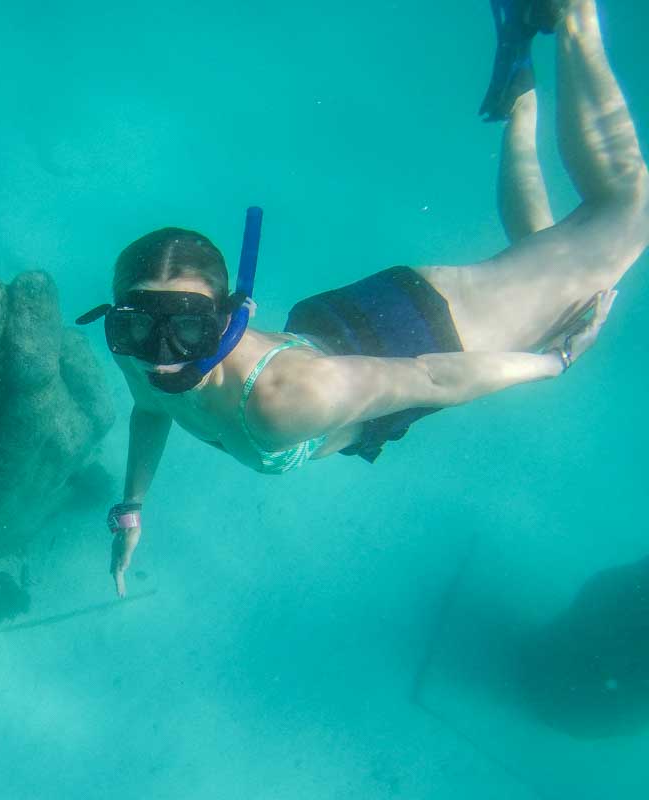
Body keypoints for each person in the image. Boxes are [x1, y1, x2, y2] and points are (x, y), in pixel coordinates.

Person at [77, 0, 649, 596]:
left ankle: (574, 15)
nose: (162, 356)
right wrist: (131, 508)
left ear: (227, 319)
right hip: (339, 331)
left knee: (627, 211)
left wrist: (555, 362)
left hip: (432, 332)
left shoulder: (286, 400)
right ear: (120, 321)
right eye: (137, 328)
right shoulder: (137, 348)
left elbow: (431, 378)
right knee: (544, 259)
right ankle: (520, 99)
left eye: (189, 330)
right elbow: (152, 408)